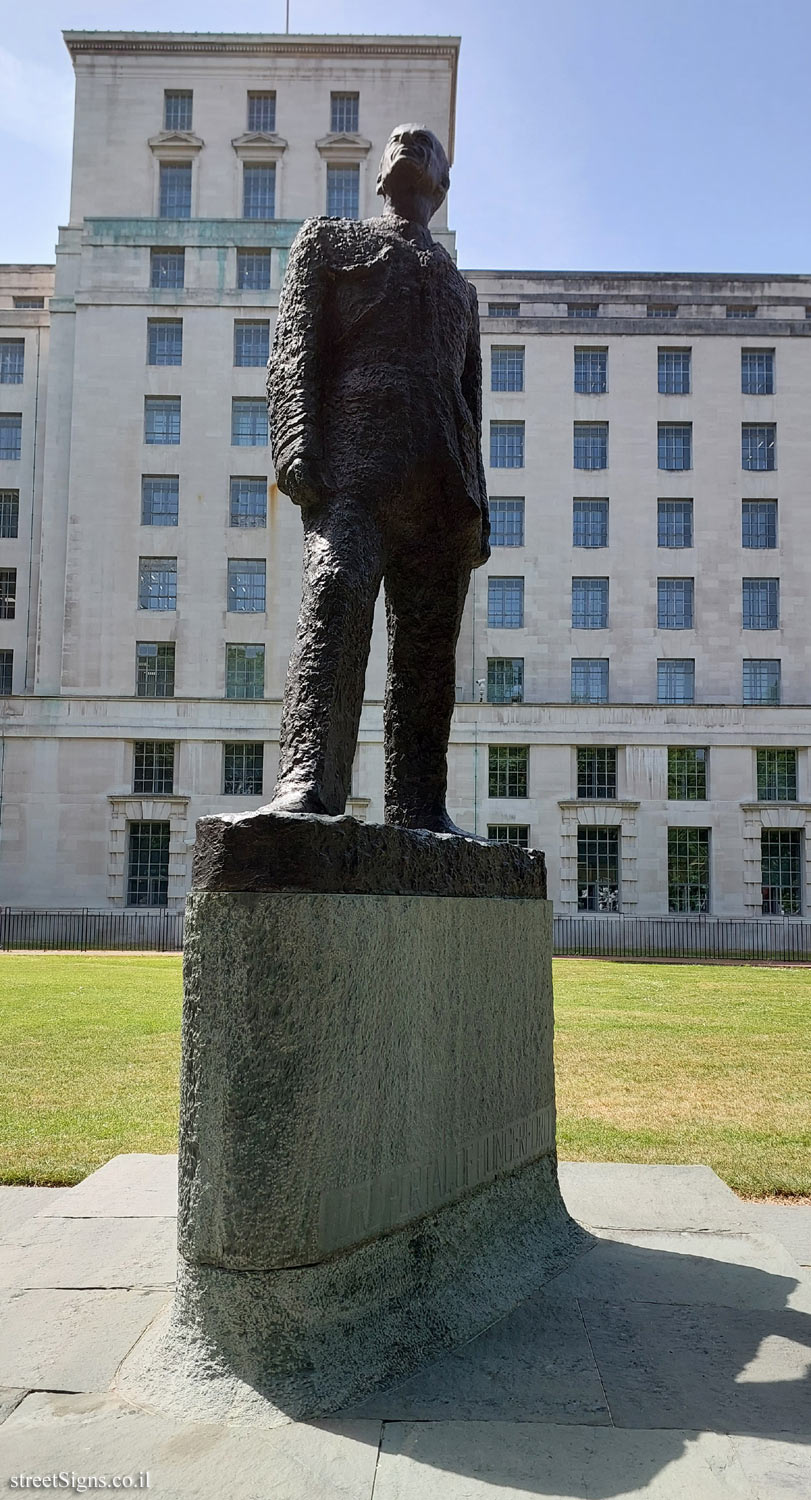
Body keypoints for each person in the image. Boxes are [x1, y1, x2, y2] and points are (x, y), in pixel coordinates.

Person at [266, 124, 489, 833]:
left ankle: (420, 805)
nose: (409, 143)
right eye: (399, 141)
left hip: (443, 485)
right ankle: (308, 783)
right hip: (355, 470)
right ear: (379, 173)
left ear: (443, 185)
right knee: (334, 598)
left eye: (427, 145)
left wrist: (477, 503)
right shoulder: (328, 242)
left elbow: (471, 398)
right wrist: (296, 438)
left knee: (427, 655)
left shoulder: (460, 286)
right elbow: (291, 348)